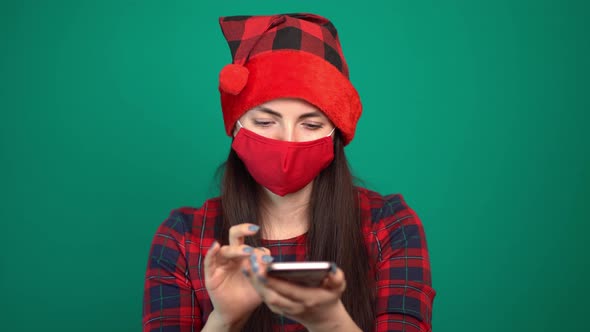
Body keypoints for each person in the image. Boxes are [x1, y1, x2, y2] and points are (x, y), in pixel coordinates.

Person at [142, 13, 436, 332]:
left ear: (335, 134)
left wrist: (330, 323)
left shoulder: (387, 226)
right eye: (265, 122)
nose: (287, 142)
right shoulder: (184, 237)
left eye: (311, 125)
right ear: (236, 126)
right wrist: (224, 320)